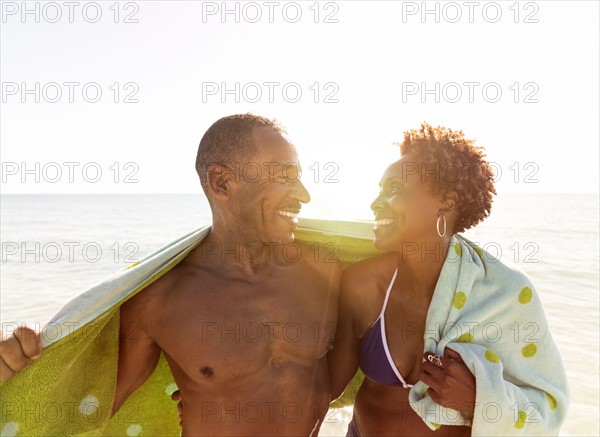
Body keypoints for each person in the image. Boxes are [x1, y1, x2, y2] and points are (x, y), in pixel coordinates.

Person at [0, 114, 341, 436]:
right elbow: (82, 413)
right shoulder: (158, 300)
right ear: (221, 182)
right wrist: (9, 370)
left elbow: (351, 368)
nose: (304, 195)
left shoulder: (323, 272)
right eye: (283, 176)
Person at [328, 123, 569, 436]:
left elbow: (549, 405)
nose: (375, 202)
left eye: (394, 190)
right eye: (380, 189)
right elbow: (325, 388)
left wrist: (481, 401)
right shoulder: (364, 286)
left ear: (447, 202)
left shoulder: (503, 294)